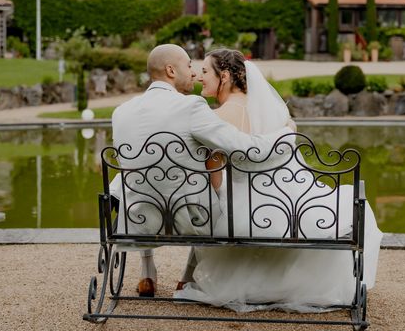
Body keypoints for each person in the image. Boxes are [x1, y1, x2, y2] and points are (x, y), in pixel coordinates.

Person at [175, 48, 383, 312]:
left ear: (224, 76)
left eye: (205, 71)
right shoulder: (272, 110)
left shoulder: (217, 119)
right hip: (290, 202)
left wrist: (222, 198)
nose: (199, 77)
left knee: (214, 212)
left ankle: (199, 279)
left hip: (247, 210)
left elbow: (214, 175)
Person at [109, 44, 296, 298]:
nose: (194, 73)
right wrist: (285, 134)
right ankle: (187, 278)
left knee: (129, 178)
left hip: (135, 221)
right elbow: (248, 149)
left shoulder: (121, 112)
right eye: (188, 66)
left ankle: (147, 270)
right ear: (171, 70)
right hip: (191, 221)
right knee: (207, 188)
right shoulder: (191, 108)